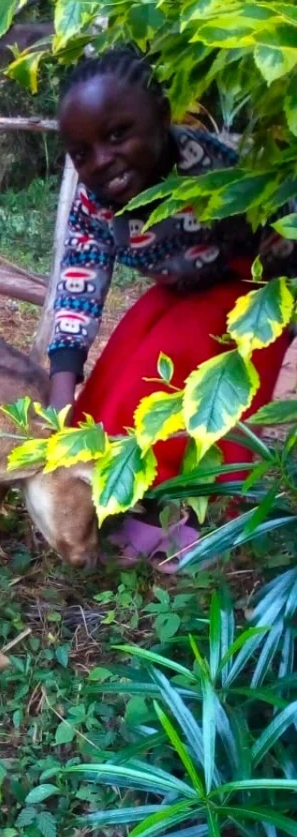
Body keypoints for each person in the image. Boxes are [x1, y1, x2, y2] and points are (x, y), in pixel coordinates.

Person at [48, 49, 296, 569]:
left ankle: (199, 521)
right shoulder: (96, 203)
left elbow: (279, 230)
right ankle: (134, 494)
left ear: (162, 119)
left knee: (190, 377)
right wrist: (60, 391)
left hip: (254, 289)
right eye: (82, 153)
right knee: (121, 366)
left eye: (118, 135)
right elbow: (80, 279)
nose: (102, 161)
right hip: (183, 286)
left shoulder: (213, 168)